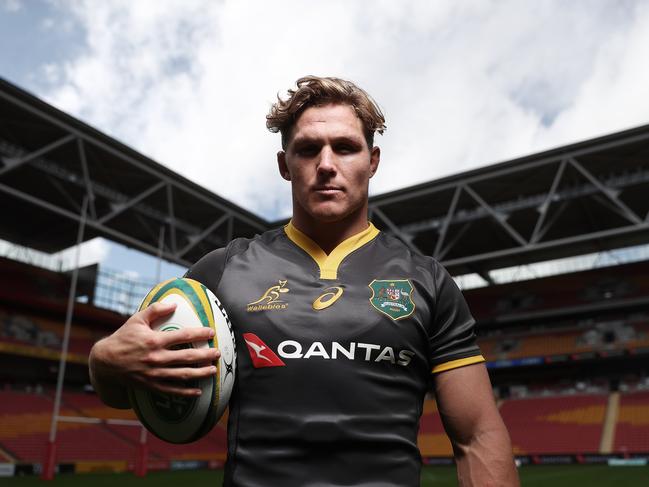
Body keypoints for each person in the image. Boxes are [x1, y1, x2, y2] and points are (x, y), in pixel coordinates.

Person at [89, 76, 519, 486]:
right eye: (308, 149)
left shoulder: (428, 281)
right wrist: (103, 361)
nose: (327, 165)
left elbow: (479, 434)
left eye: (346, 148)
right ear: (285, 165)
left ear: (373, 162)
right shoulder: (222, 271)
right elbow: (126, 387)